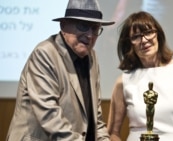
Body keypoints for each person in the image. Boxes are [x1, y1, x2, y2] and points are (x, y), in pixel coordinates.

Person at [6, 0, 114, 140]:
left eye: (95, 28)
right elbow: (50, 116)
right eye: (83, 26)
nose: (89, 35)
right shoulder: (44, 54)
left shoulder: (92, 57)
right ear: (63, 26)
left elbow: (96, 119)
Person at [107, 11, 173, 141]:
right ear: (129, 43)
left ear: (158, 35)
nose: (144, 40)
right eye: (136, 36)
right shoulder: (123, 82)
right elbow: (112, 133)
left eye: (148, 32)